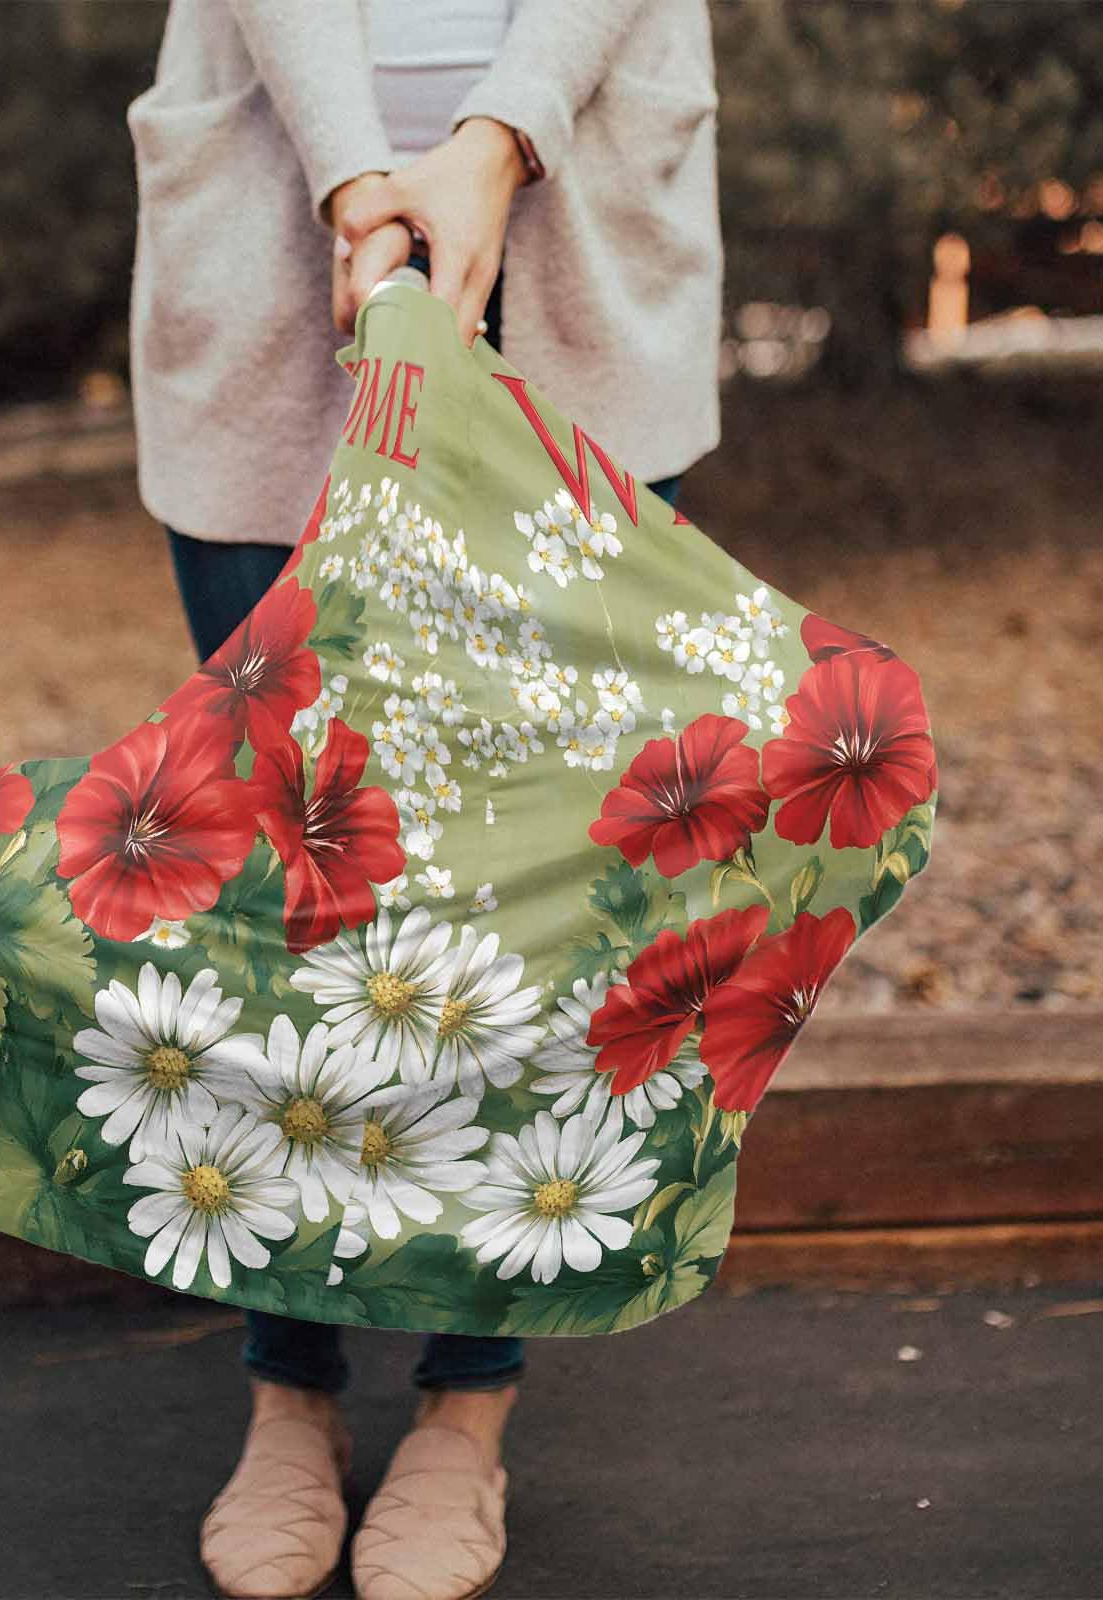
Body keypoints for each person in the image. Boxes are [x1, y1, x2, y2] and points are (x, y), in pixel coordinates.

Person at [124, 4, 722, 1596]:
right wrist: (353, 178)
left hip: (579, 219)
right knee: (292, 870)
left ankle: (468, 1405)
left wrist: (496, 136)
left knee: (535, 883)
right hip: (274, 214)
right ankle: (289, 1386)